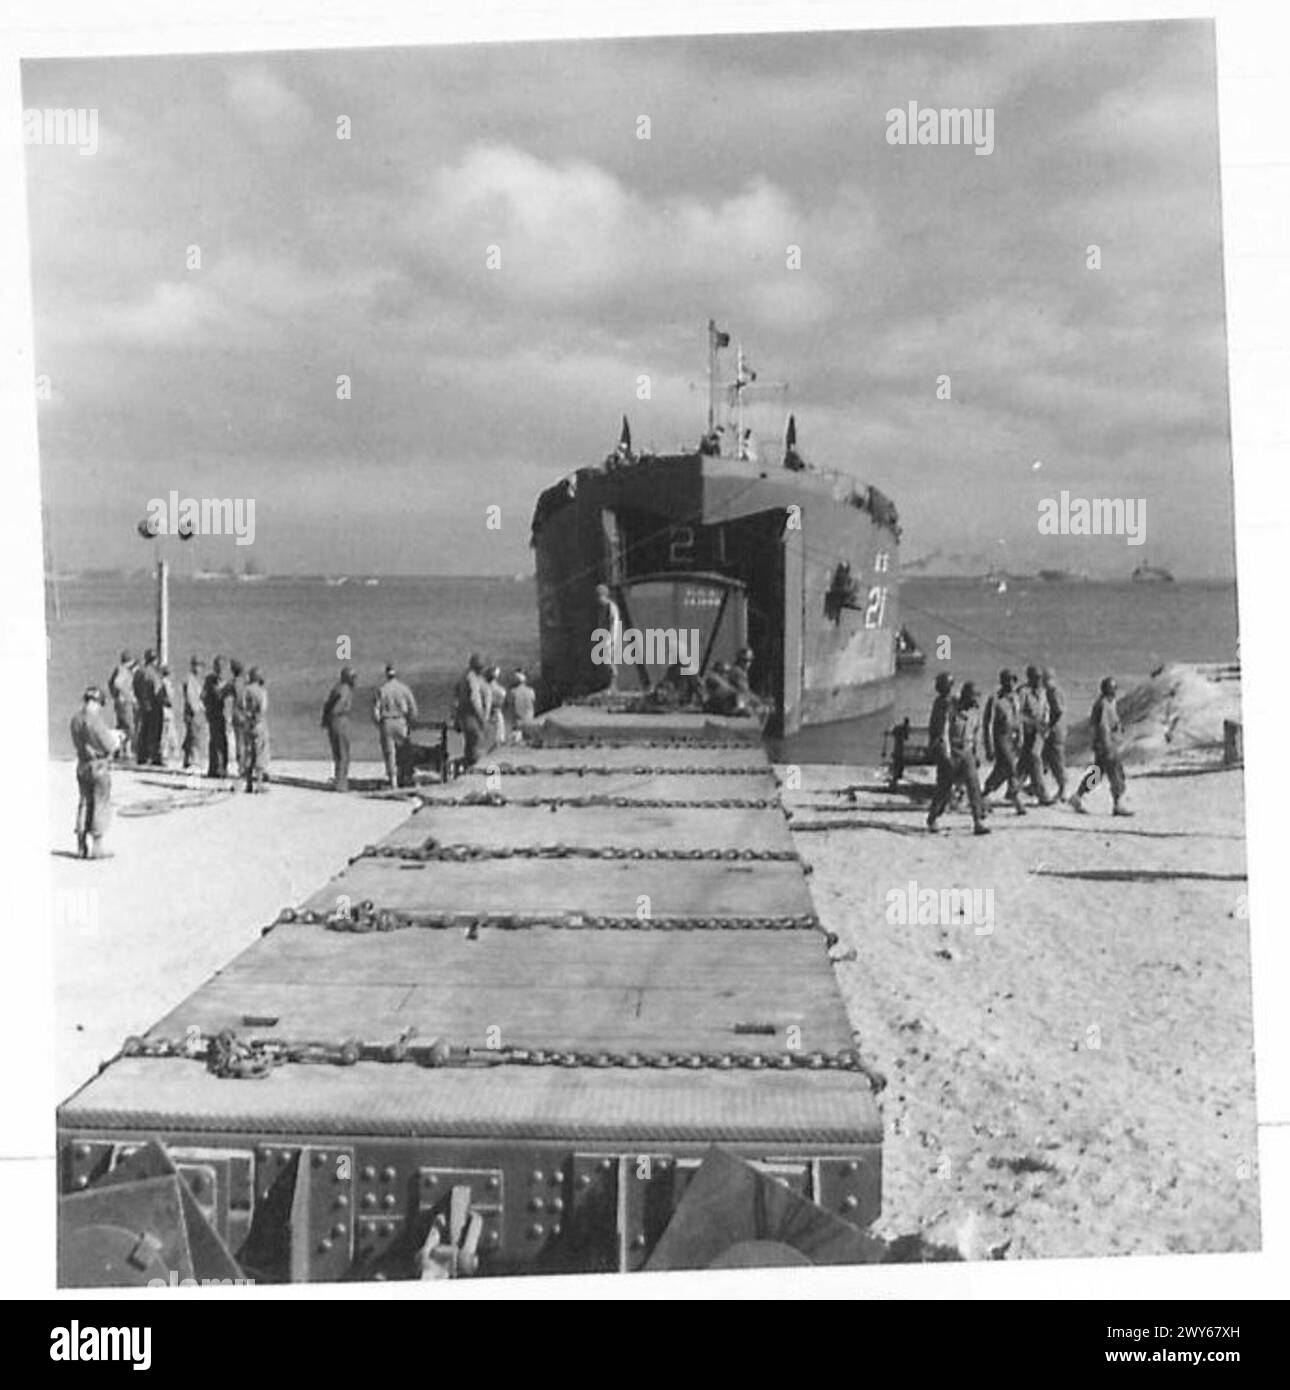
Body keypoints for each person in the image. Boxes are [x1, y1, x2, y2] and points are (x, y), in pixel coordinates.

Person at [926, 680, 989, 836]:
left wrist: (976, 754)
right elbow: (943, 733)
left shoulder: (975, 711)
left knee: (973, 785)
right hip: (952, 751)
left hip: (966, 751)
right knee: (944, 789)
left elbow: (975, 734)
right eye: (973, 697)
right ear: (965, 697)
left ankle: (978, 821)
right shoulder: (950, 709)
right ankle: (933, 817)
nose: (975, 701)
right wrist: (945, 754)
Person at [1070, 676, 1133, 816]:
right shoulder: (1103, 705)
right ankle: (1118, 804)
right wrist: (1107, 746)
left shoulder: (1109, 703)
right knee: (1116, 774)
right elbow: (1103, 727)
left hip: (1106, 744)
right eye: (1114, 689)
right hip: (1107, 746)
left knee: (1097, 774)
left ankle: (1077, 796)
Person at [70, 686, 120, 858]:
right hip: (97, 766)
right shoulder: (95, 720)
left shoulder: (75, 719)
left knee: (84, 803)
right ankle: (97, 847)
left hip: (82, 765)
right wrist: (116, 742)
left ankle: (81, 845)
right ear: (97, 703)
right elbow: (108, 745)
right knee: (100, 804)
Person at [982, 668, 1027, 815]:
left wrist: (1020, 737)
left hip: (1013, 738)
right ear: (1002, 682)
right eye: (1007, 680)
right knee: (1011, 768)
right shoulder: (995, 699)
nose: (1011, 683)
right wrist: (988, 746)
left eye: (1013, 680)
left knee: (1001, 769)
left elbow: (1019, 718)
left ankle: (984, 794)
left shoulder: (1016, 698)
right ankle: (1016, 799)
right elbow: (987, 723)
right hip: (1000, 737)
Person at [373, 662, 418, 788]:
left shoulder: (382, 690)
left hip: (387, 721)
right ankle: (406, 777)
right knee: (404, 751)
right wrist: (411, 722)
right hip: (401, 721)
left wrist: (379, 725)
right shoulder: (404, 689)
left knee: (389, 753)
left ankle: (393, 781)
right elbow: (413, 708)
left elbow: (376, 712)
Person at [1017, 665, 1055, 805]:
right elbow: (1017, 714)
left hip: (1039, 733)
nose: (1039, 681)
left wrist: (1045, 725)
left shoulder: (1043, 692)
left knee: (1033, 758)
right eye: (1036, 678)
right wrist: (1032, 723)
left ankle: (1034, 792)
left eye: (1040, 678)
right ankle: (1040, 793)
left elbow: (1046, 710)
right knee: (1029, 760)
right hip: (1027, 732)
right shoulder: (1023, 692)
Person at [321, 666, 356, 792]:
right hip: (340, 721)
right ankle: (341, 784)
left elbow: (327, 705)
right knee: (343, 753)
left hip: (333, 722)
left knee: (338, 753)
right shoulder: (345, 690)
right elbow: (337, 707)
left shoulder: (337, 687)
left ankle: (339, 781)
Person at [453, 653, 490, 768]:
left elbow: (455, 698)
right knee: (477, 746)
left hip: (464, 717)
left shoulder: (464, 676)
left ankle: (467, 768)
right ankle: (475, 771)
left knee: (469, 746)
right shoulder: (472, 679)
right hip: (472, 717)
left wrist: (455, 718)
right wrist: (482, 719)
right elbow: (475, 700)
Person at [1040, 667, 1069, 801]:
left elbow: (1058, 711)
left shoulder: (1053, 692)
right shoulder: (1056, 691)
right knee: (1046, 759)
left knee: (1057, 760)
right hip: (1057, 730)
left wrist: (1048, 726)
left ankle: (1063, 789)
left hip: (1055, 732)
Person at [132, 649, 164, 766]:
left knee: (144, 731)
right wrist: (164, 701)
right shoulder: (154, 674)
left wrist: (141, 700)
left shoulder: (139, 672)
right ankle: (154, 756)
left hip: (143, 705)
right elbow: (157, 691)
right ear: (155, 660)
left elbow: (135, 688)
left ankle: (142, 756)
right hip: (154, 706)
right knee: (155, 732)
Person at [240, 667, 270, 793]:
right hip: (259, 725)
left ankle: (248, 784)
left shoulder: (246, 690)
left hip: (247, 724)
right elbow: (263, 708)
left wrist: (249, 716)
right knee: (260, 753)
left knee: (248, 753)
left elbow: (242, 706)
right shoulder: (261, 691)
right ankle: (258, 784)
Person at [107, 650, 137, 761]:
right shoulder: (123, 671)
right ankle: (127, 751)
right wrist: (127, 695)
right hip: (125, 703)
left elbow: (110, 683)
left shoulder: (118, 669)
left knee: (121, 727)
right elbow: (117, 683)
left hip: (119, 702)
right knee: (129, 727)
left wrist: (114, 696)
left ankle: (119, 750)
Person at [203, 656, 230, 778]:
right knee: (218, 742)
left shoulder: (211, 680)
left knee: (218, 741)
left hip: (216, 714)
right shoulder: (212, 681)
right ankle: (218, 768)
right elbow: (210, 695)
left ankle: (218, 768)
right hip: (216, 714)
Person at [594, 583, 622, 693]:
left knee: (609, 661)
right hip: (604, 638)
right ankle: (609, 685)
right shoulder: (602, 608)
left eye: (599, 596)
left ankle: (613, 686)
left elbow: (613, 624)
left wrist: (611, 639)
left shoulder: (611, 607)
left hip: (610, 639)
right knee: (605, 661)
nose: (598, 599)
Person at [182, 656, 207, 771]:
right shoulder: (190, 680)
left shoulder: (194, 679)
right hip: (194, 713)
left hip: (193, 712)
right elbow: (191, 698)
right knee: (195, 737)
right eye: (199, 666)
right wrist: (197, 710)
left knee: (190, 737)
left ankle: (188, 760)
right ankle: (194, 761)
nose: (200, 669)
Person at [228, 659, 249, 779]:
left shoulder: (233, 683)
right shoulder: (246, 682)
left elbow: (222, 694)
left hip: (237, 715)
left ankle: (241, 768)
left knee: (239, 743)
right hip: (246, 715)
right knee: (247, 743)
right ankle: (247, 767)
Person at [506, 669, 536, 742]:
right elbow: (533, 702)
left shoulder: (512, 692)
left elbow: (510, 708)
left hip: (518, 723)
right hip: (530, 722)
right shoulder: (531, 691)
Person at [158, 663, 178, 767]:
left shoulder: (163, 682)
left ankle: (169, 755)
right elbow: (169, 697)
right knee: (167, 734)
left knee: (169, 734)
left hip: (166, 710)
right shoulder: (166, 683)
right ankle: (165, 756)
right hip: (167, 711)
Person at [486, 665, 508, 746]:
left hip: (486, 713)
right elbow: (502, 697)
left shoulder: (484, 688)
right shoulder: (499, 690)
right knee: (499, 733)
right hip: (495, 712)